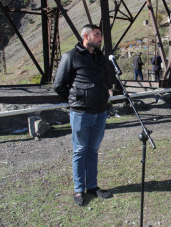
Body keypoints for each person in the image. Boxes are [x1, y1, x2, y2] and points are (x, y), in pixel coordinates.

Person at [53, 24, 115, 206]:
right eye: (97, 35)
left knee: (93, 150)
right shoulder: (70, 57)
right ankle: (79, 189)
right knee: (80, 150)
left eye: (100, 35)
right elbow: (59, 85)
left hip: (101, 112)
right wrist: (75, 101)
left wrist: (103, 96)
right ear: (86, 36)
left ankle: (92, 187)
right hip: (81, 113)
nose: (100, 38)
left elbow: (107, 81)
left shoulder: (101, 58)